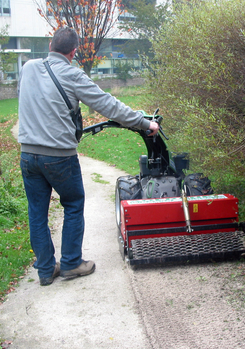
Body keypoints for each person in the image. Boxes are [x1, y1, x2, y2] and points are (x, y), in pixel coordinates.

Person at [18, 27, 159, 286]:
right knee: (73, 204)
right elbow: (107, 104)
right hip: (59, 157)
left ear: (50, 44)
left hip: (27, 155)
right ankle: (71, 264)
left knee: (36, 212)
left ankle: (46, 270)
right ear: (73, 52)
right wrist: (144, 123)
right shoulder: (72, 74)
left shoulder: (28, 67)